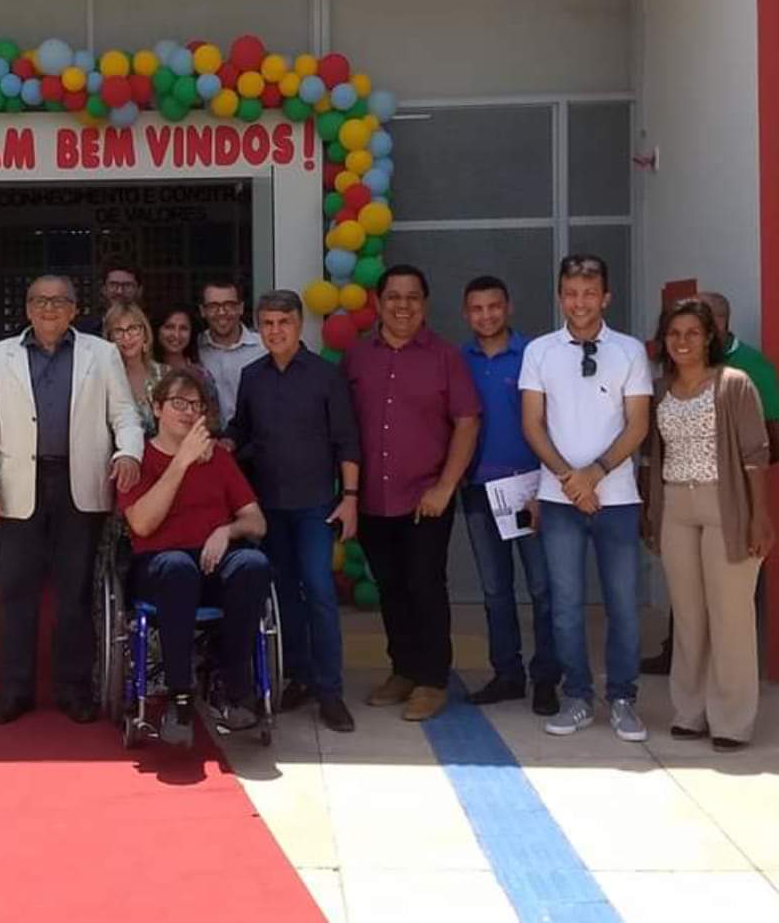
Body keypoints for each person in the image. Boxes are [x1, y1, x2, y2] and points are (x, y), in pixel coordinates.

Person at [0, 274, 143, 725]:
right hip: (16, 488)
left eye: (59, 301)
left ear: (73, 309)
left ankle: (73, 690)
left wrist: (128, 453)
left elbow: (123, 413)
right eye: (40, 301)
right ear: (26, 309)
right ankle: (15, 689)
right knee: (16, 594)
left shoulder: (100, 354)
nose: (49, 308)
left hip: (79, 484)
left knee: (74, 594)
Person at [519, 254, 652, 742]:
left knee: (622, 604)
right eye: (571, 293)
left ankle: (623, 698)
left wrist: (593, 474)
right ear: (560, 297)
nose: (580, 302)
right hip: (559, 501)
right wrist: (567, 479)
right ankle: (576, 695)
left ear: (606, 297)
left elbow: (638, 423)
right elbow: (532, 422)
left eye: (589, 293)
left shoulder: (630, 351)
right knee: (565, 604)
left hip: (617, 499)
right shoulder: (540, 351)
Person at [344, 265, 480, 722]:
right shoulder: (358, 357)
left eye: (413, 297)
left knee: (425, 586)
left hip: (427, 497)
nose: (403, 306)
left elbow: (467, 421)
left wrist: (445, 485)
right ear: (379, 303)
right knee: (391, 588)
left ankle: (432, 679)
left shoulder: (445, 357)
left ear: (425, 303)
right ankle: (402, 669)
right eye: (394, 297)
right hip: (373, 498)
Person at [641, 298, 773, 750]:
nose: (682, 341)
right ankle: (690, 710)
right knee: (690, 615)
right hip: (677, 505)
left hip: (727, 504)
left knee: (730, 614)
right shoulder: (659, 390)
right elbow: (652, 457)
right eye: (674, 333)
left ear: (709, 338)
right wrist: (652, 513)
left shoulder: (733, 384)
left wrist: (760, 516)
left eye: (692, 333)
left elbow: (756, 458)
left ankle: (732, 720)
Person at [227, 290, 360, 733]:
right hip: (268, 508)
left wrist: (351, 496)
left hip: (316, 505)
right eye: (266, 323)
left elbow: (347, 440)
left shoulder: (325, 375)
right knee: (283, 598)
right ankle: (297, 677)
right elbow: (240, 432)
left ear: (300, 325)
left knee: (320, 592)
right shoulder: (252, 377)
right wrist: (222, 446)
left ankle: (330, 690)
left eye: (283, 322)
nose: (275, 331)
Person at [118, 369, 271, 747]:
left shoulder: (218, 459)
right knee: (177, 568)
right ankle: (179, 697)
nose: (188, 412)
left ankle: (235, 688)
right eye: (178, 403)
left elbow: (257, 521)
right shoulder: (138, 459)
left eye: (196, 405)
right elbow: (142, 523)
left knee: (253, 564)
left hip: (214, 560)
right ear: (157, 408)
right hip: (160, 567)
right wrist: (180, 462)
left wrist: (227, 530)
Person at [459, 277, 560, 717]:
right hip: (480, 491)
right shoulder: (459, 360)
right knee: (495, 589)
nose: (486, 316)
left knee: (542, 588)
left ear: (509, 308)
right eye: (477, 309)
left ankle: (546, 678)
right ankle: (506, 674)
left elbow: (556, 422)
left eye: (493, 307)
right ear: (467, 314)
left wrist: (547, 485)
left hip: (530, 488)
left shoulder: (536, 356)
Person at [197, 280, 264, 426]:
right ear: (202, 311)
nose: (221, 312)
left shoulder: (264, 348)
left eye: (229, 305)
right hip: (208, 440)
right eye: (213, 306)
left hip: (256, 441)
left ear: (241, 308)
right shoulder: (195, 350)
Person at [103, 301, 166, 435]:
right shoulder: (103, 380)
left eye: (133, 329)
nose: (126, 337)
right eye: (118, 331)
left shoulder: (166, 374)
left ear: (145, 334)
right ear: (109, 339)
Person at [77, 267, 143, 337]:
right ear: (103, 289)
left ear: (139, 290)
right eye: (113, 285)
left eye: (127, 285)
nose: (119, 291)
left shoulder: (153, 330)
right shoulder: (83, 332)